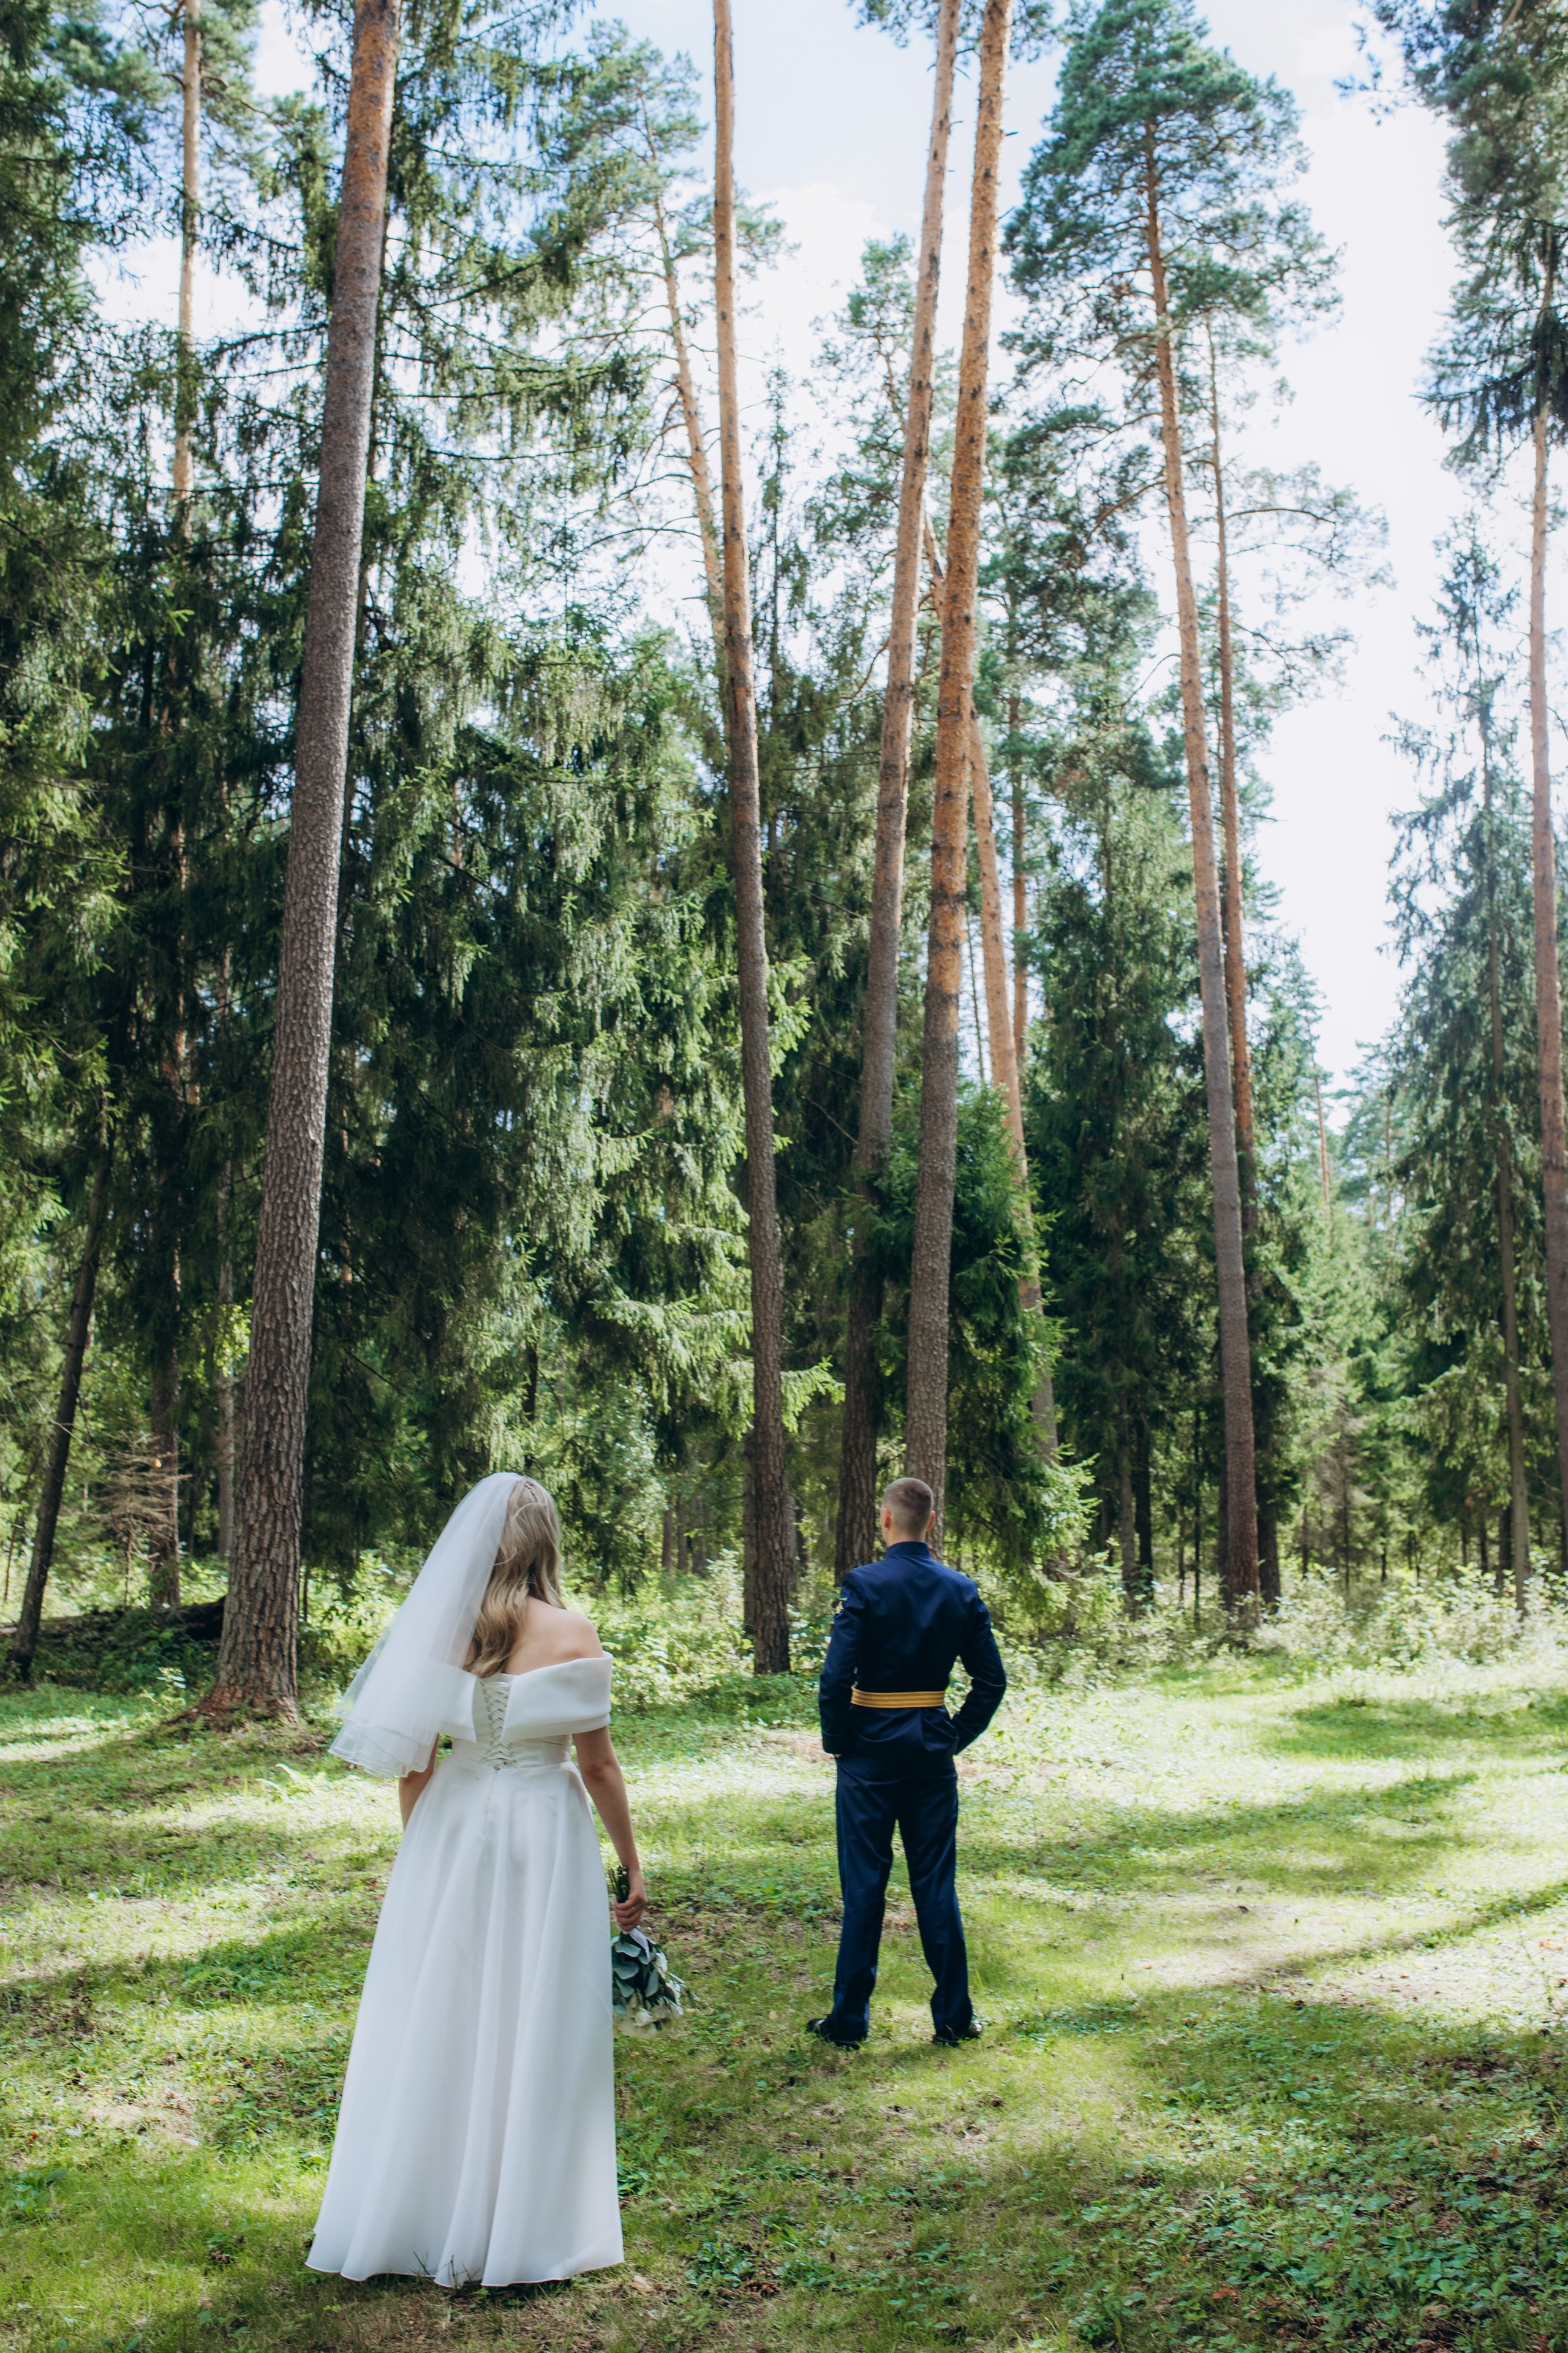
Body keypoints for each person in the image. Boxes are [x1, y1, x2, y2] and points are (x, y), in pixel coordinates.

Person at [308, 1473, 647, 2289]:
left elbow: (414, 1766)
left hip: (452, 1826)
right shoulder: (575, 1632)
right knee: (534, 2009)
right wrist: (633, 1861)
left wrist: (427, 1857)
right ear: (545, 1545)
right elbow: (597, 1766)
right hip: (544, 1828)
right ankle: (521, 2220)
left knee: (446, 2009)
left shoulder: (444, 1631)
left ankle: (419, 2207)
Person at [809, 1475, 1006, 2049]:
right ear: (932, 1522)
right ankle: (954, 2018)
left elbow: (834, 1678)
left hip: (868, 1753)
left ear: (886, 1519)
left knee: (865, 1886)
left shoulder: (864, 1585)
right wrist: (954, 1735)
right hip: (929, 1751)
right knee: (936, 1885)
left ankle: (849, 2022)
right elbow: (991, 1679)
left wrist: (838, 1740)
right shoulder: (959, 1588)